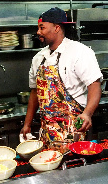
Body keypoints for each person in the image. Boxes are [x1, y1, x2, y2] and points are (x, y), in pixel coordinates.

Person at [20, 7, 103, 145]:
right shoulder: (38, 58)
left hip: (74, 129)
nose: (38, 32)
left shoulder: (80, 52)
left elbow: (94, 86)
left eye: (42, 27)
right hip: (47, 131)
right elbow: (35, 92)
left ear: (57, 28)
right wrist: (27, 124)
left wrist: (87, 114)